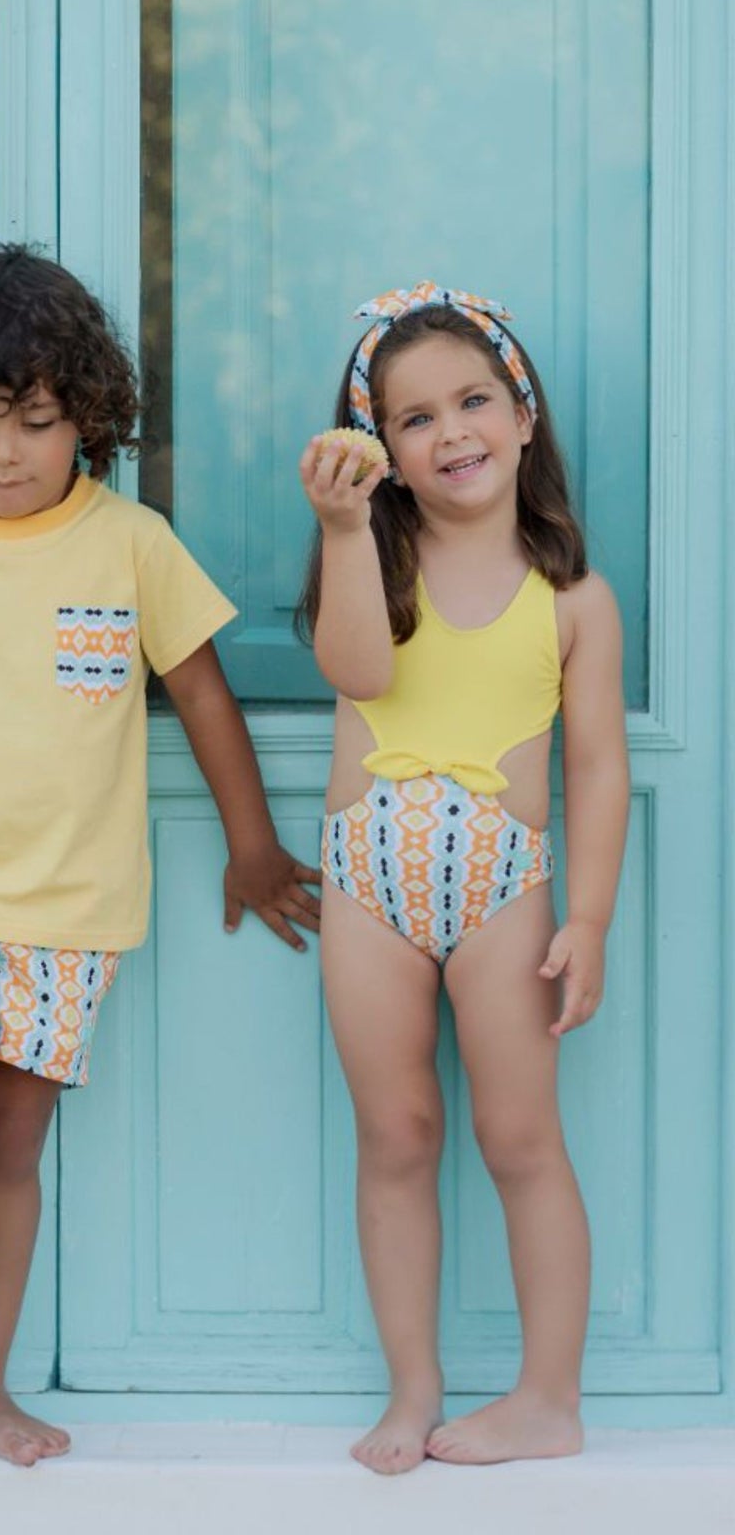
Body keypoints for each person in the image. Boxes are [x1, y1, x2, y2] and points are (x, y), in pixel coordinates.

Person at [0, 244, 319, 1467]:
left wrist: (252, 847)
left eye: (35, 420)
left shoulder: (131, 543)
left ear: (86, 413)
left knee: (6, 1145)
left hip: (71, 910)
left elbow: (201, 695)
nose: (6, 452)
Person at [297, 283, 629, 1473]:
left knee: (520, 1137)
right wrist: (343, 534)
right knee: (395, 1132)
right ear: (376, 449)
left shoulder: (575, 599)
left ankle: (549, 1395)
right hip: (367, 888)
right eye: (413, 418)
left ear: (523, 413)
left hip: (506, 892)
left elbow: (596, 772)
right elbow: (357, 673)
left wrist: (585, 916)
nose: (451, 433)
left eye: (473, 401)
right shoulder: (371, 570)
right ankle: (411, 1388)